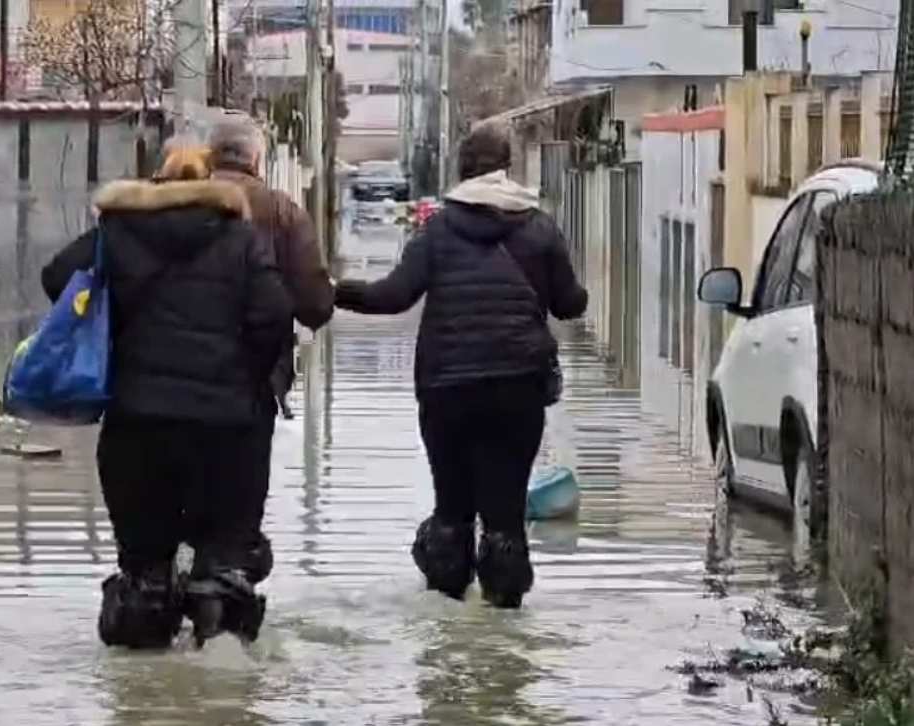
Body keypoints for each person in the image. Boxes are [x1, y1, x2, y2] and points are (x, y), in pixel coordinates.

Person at [40, 142, 293, 648]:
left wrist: (110, 317)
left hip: (138, 422)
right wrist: (247, 381)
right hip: (225, 428)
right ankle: (218, 636)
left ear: (157, 181)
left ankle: (144, 638)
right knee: (224, 557)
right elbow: (274, 315)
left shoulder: (115, 234)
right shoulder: (239, 239)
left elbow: (56, 279)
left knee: (143, 563)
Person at [332, 123, 588, 608]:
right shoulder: (539, 228)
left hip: (447, 389)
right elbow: (569, 305)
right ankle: (504, 612)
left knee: (452, 507)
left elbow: (392, 297)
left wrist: (335, 291)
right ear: (507, 168)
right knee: (506, 513)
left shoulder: (437, 230)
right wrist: (578, 294)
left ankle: (447, 603)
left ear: (461, 170)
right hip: (519, 388)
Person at [207, 119, 335, 575]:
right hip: (251, 382)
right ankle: (227, 596)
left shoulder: (170, 204)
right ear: (257, 159)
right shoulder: (280, 211)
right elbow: (315, 306)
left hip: (157, 384)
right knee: (240, 508)